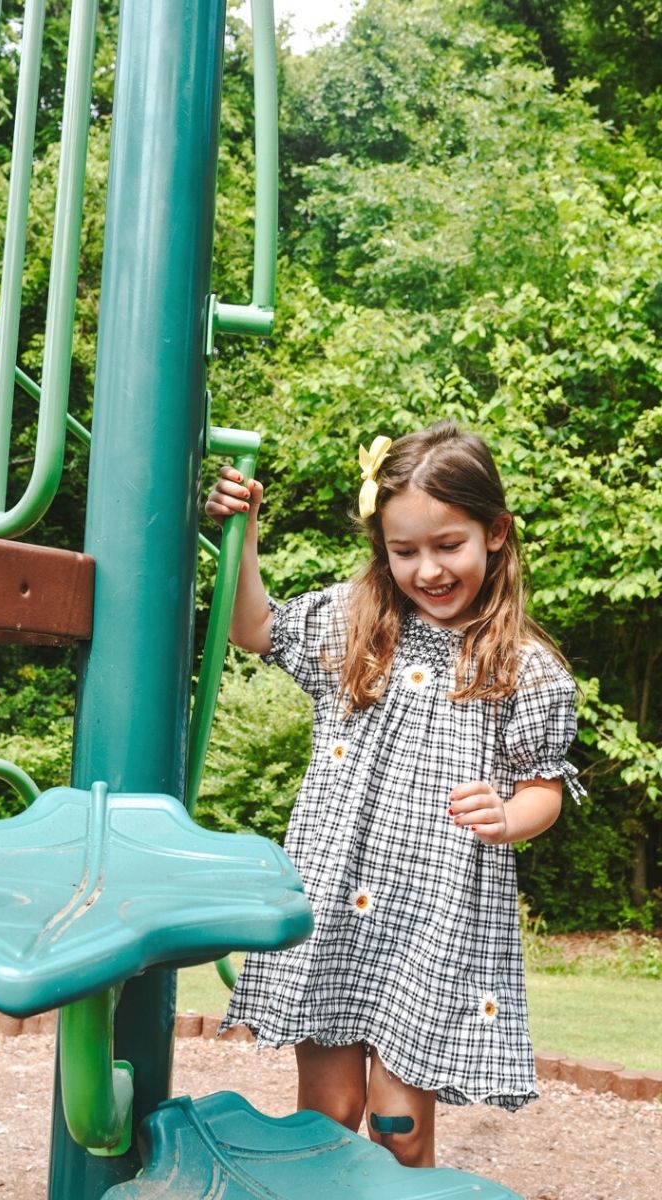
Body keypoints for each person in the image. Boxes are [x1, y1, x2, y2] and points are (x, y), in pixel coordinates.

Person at [205, 420, 581, 1168]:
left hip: (431, 917)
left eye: (449, 546)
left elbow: (546, 789)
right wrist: (242, 536)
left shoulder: (522, 667)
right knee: (329, 1112)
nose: (428, 569)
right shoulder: (358, 623)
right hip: (335, 898)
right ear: (383, 547)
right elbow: (253, 627)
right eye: (404, 550)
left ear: (495, 533)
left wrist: (508, 818)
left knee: (398, 1123)